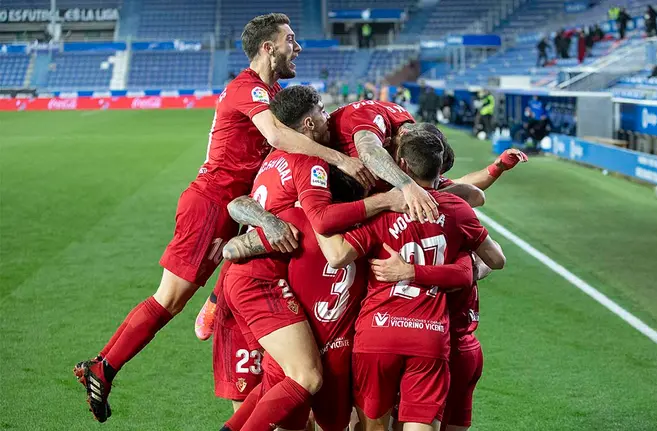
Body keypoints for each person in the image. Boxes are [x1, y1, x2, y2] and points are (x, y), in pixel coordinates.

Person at [72, 13, 372, 423]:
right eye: (290, 40)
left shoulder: (273, 90)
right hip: (211, 204)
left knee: (243, 260)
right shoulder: (245, 88)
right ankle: (103, 366)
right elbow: (278, 137)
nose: (297, 47)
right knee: (170, 300)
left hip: (238, 208)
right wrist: (340, 159)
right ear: (268, 48)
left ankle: (215, 299)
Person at [217, 86, 406, 431]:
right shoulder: (312, 168)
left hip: (261, 281)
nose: (328, 116)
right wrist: (388, 200)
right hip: (266, 286)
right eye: (321, 110)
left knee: (282, 385)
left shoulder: (277, 155)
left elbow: (234, 226)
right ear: (308, 122)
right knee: (306, 378)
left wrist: (268, 224)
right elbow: (322, 223)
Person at [313, 131, 507, 431]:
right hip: (429, 335)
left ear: (400, 164)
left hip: (378, 333)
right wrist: (459, 269)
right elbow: (496, 260)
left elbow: (338, 256)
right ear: (441, 168)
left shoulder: (382, 208)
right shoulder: (456, 211)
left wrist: (312, 213)